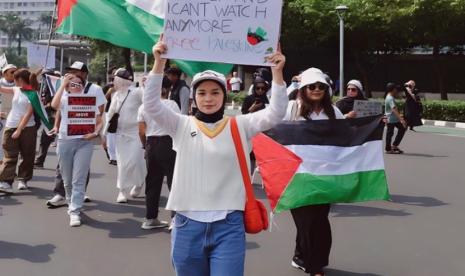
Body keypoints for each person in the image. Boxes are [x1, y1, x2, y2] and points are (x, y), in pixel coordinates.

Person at [144, 38, 287, 276]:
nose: (208, 98)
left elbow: (276, 113)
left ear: (223, 95)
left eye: (214, 92)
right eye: (201, 93)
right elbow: (151, 106)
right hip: (187, 223)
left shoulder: (240, 125)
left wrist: (278, 73)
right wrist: (159, 63)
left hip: (229, 224)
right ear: (194, 97)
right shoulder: (180, 124)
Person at [284, 68, 345, 276]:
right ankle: (314, 266)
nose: (317, 90)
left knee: (318, 221)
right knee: (307, 222)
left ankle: (300, 256)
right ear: (303, 88)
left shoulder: (333, 112)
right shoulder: (292, 108)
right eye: (312, 86)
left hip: (324, 178)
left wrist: (372, 125)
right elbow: (270, 120)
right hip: (297, 177)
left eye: (321, 87)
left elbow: (346, 135)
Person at [50, 73, 106, 226]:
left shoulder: (89, 101)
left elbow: (100, 120)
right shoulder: (63, 98)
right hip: (65, 142)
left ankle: (75, 211)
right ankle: (70, 203)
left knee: (79, 179)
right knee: (67, 180)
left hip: (84, 143)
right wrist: (62, 84)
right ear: (67, 86)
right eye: (72, 84)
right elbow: (53, 106)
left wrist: (94, 133)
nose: (77, 86)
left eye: (79, 83)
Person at [45, 61, 98, 206]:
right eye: (71, 71)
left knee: (81, 170)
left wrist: (96, 132)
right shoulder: (65, 93)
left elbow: (100, 115)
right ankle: (61, 194)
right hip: (66, 138)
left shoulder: (95, 89)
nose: (73, 74)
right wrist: (56, 126)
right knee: (63, 170)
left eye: (77, 71)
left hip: (84, 139)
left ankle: (77, 198)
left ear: (85, 74)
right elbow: (58, 109)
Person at [138, 76, 180, 229]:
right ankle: (175, 219)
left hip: (151, 143)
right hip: (169, 143)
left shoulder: (144, 106)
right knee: (173, 182)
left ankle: (150, 218)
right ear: (167, 89)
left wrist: (145, 147)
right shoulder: (172, 104)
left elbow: (141, 132)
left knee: (152, 182)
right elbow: (177, 126)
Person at [105, 68, 146, 203]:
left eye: (115, 79)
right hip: (120, 134)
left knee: (135, 161)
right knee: (122, 164)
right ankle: (122, 190)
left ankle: (139, 183)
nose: (113, 82)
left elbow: (149, 106)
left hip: (136, 134)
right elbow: (110, 115)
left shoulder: (138, 92)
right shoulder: (116, 95)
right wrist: (103, 134)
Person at [0, 69, 38, 193]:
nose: (13, 81)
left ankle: (23, 179)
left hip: (28, 128)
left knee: (27, 155)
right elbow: (2, 89)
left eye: (15, 79)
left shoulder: (33, 94)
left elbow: (28, 114)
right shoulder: (16, 89)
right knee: (9, 154)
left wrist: (19, 130)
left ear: (20, 80)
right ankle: (6, 182)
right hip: (10, 125)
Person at [34, 69, 61, 168]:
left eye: (47, 75)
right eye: (43, 75)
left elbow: (57, 102)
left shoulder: (56, 86)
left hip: (51, 114)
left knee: (45, 138)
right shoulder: (41, 85)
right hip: (38, 113)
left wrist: (46, 105)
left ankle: (39, 161)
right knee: (33, 134)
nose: (45, 77)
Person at [385, 82, 407, 154]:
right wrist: (401, 119)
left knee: (402, 129)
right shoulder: (390, 98)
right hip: (391, 119)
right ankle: (388, 149)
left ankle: (394, 146)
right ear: (393, 90)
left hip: (394, 119)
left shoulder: (390, 97)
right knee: (390, 134)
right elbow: (394, 109)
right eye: (395, 89)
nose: (397, 90)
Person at [102, 67, 117, 165]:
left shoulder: (125, 86)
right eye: (114, 73)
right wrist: (109, 92)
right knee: (110, 135)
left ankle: (117, 155)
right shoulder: (107, 86)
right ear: (111, 75)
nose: (116, 75)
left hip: (120, 113)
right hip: (109, 113)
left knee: (117, 135)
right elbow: (101, 100)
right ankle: (112, 156)